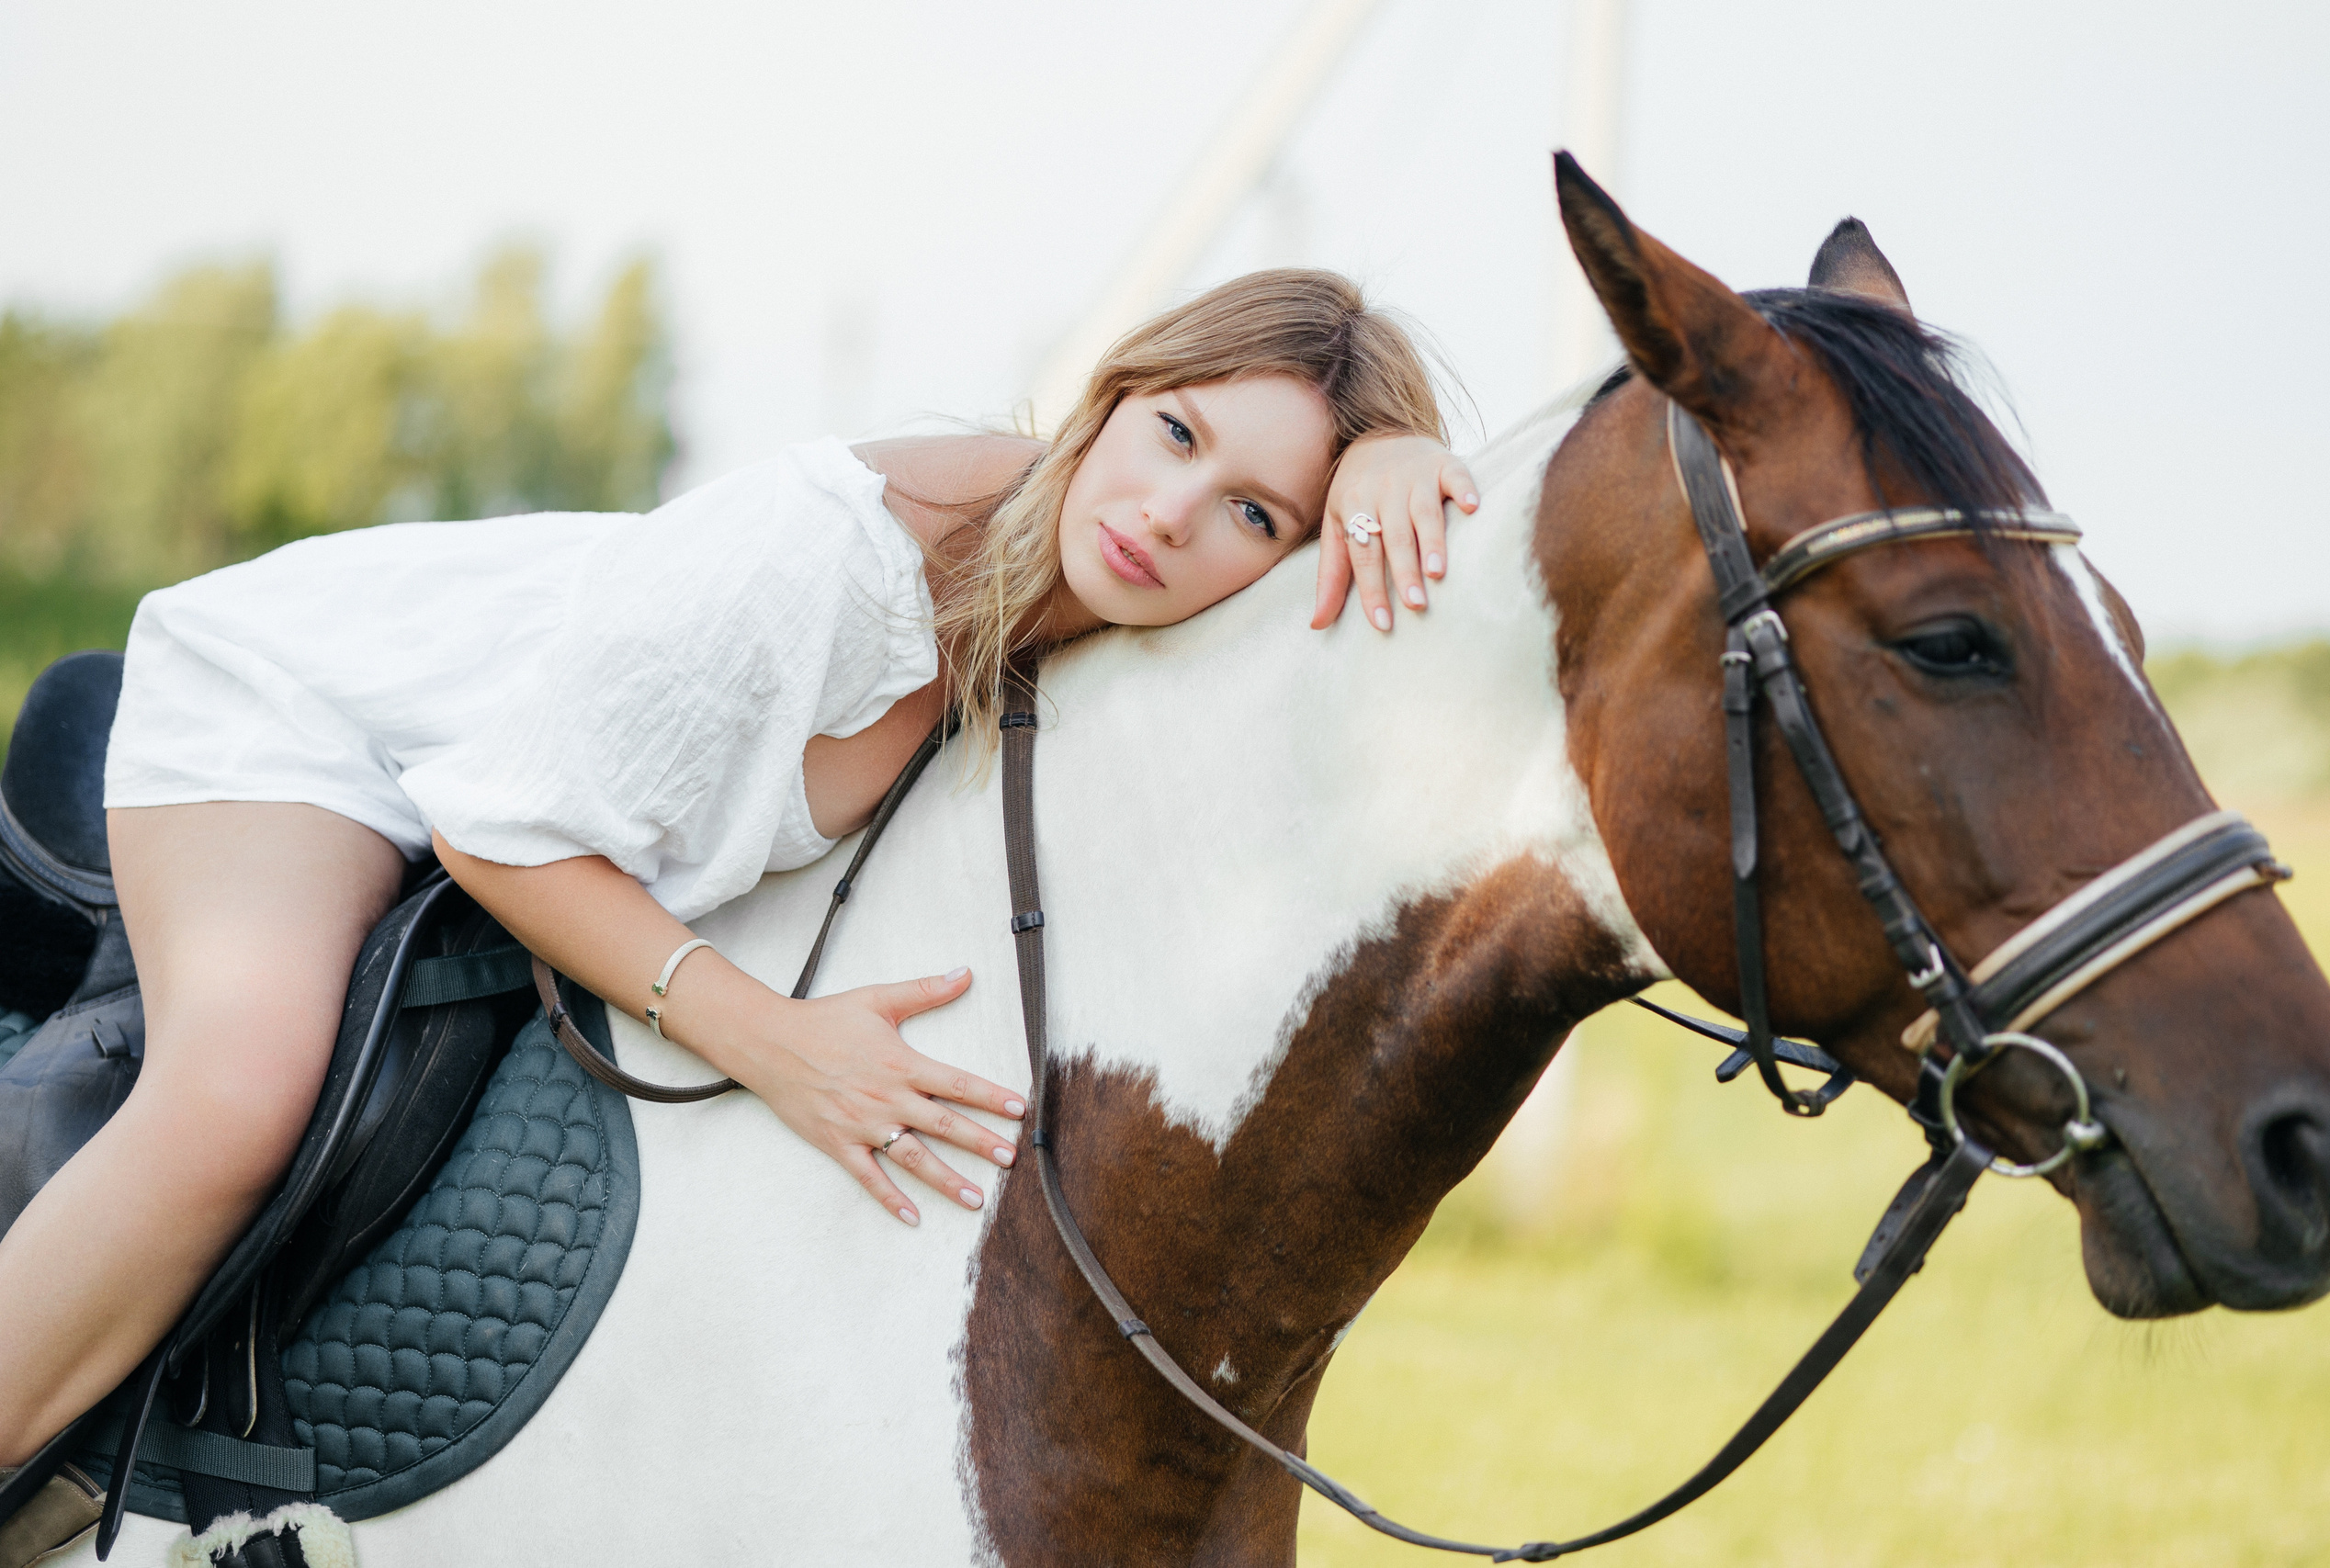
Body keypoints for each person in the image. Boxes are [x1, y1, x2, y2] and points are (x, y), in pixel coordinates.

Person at [0, 268, 1477, 1462]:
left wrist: (1411, 460)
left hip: (524, 759)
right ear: (1116, 399)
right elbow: (499, 826)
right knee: (242, 1085)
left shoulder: (1115, 624)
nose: (1172, 513)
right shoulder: (833, 562)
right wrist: (774, 1044)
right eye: (1177, 433)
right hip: (330, 716)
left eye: (1254, 512)